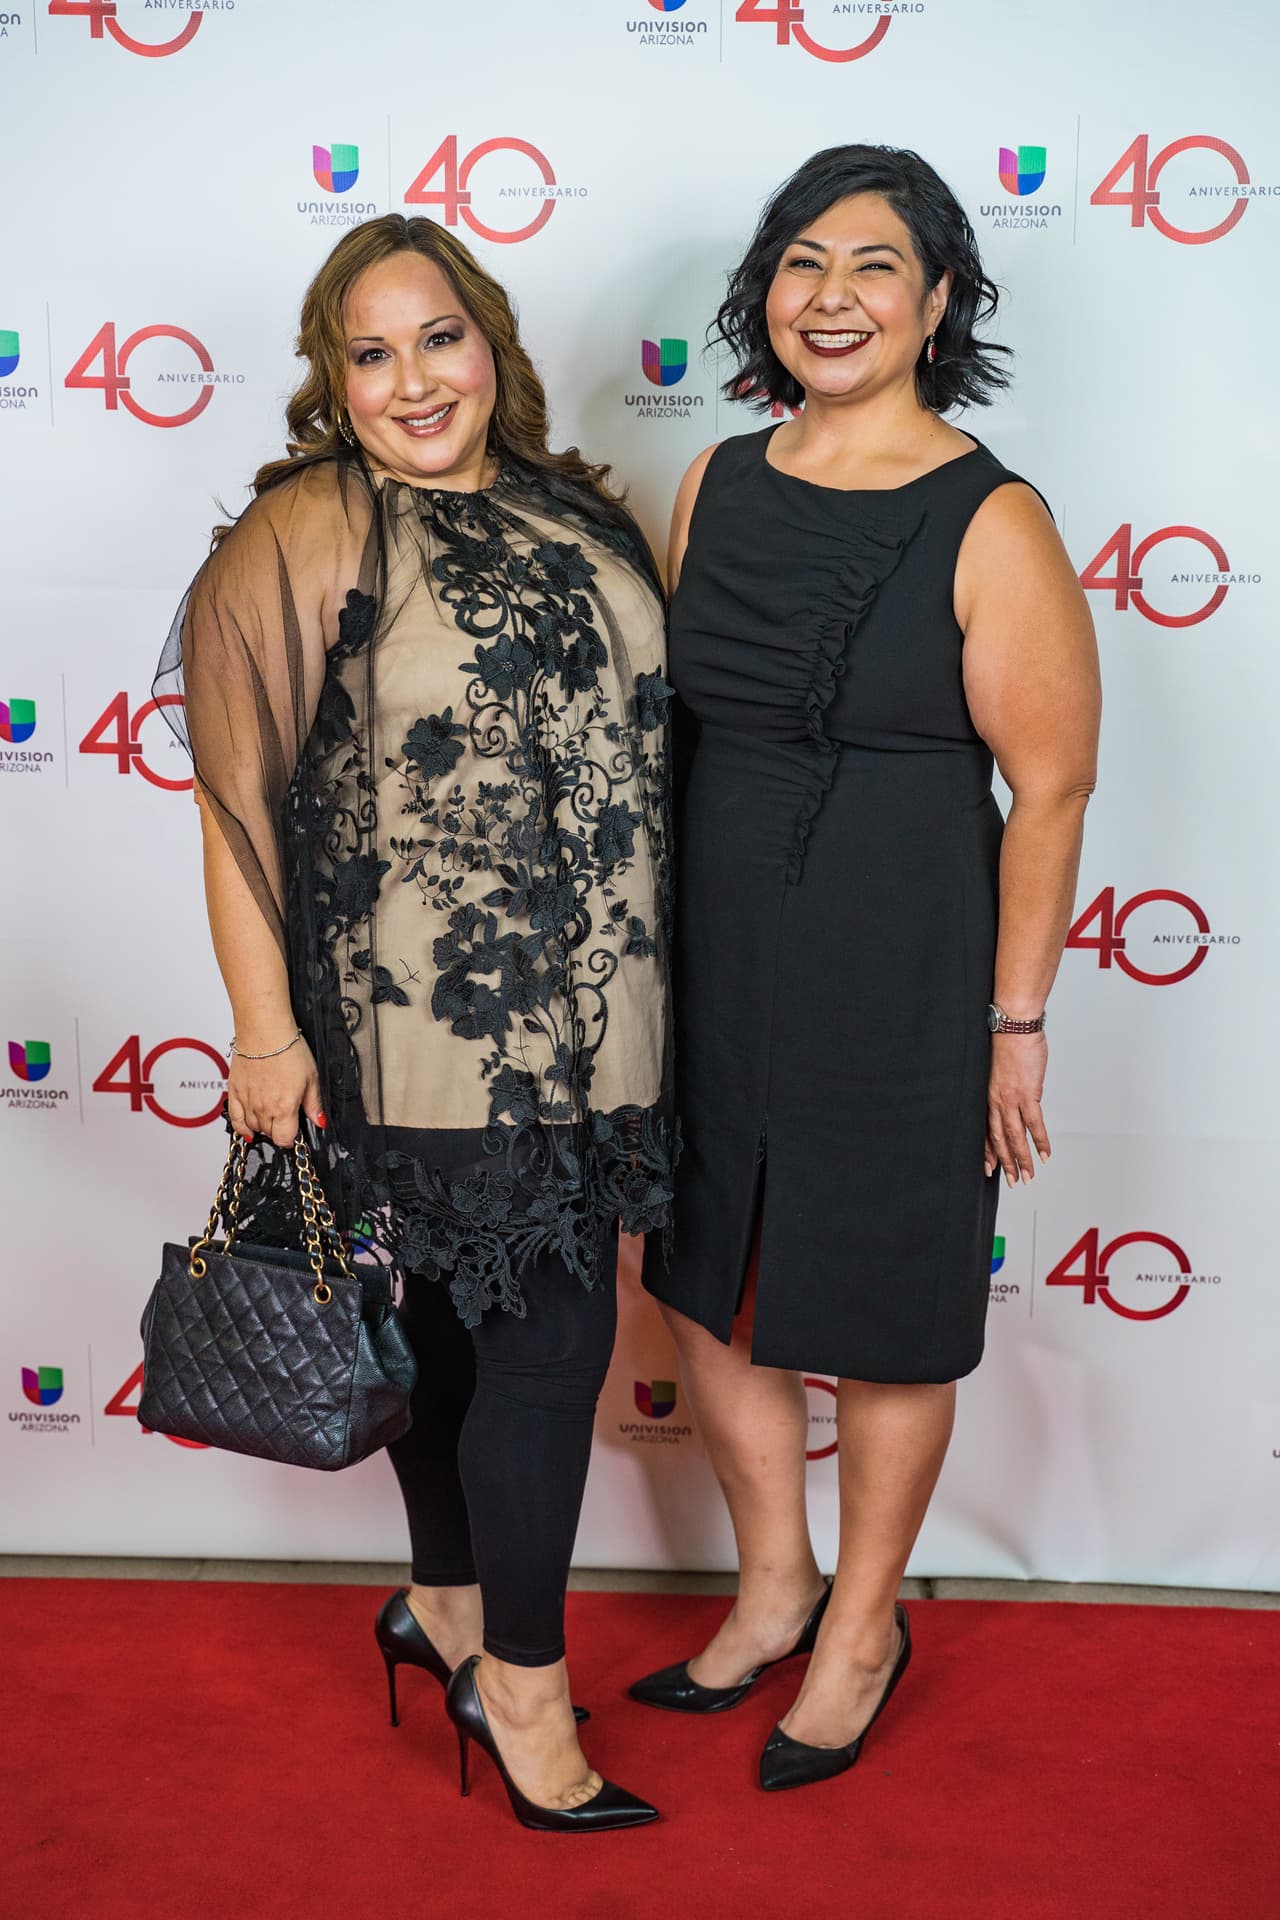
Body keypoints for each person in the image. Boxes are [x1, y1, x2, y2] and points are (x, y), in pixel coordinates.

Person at [157, 213, 676, 1832]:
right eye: (367, 355)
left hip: (613, 1013)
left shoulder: (576, 509)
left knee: (465, 1335)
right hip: (418, 1027)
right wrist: (263, 1036)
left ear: (490, 341)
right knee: (546, 1339)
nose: (410, 381)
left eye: (436, 338)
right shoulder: (308, 531)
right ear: (332, 378)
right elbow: (232, 802)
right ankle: (521, 1681)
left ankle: (446, 1605)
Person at [632, 145, 1101, 1791]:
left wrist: (1015, 1023)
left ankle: (863, 1628)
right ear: (766, 291)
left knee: (891, 1312)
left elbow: (1048, 785)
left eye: (875, 267)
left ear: (938, 302)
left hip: (905, 965)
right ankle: (773, 1590)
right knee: (712, 1283)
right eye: (803, 262)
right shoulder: (713, 484)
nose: (833, 297)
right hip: (715, 954)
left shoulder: (993, 516)